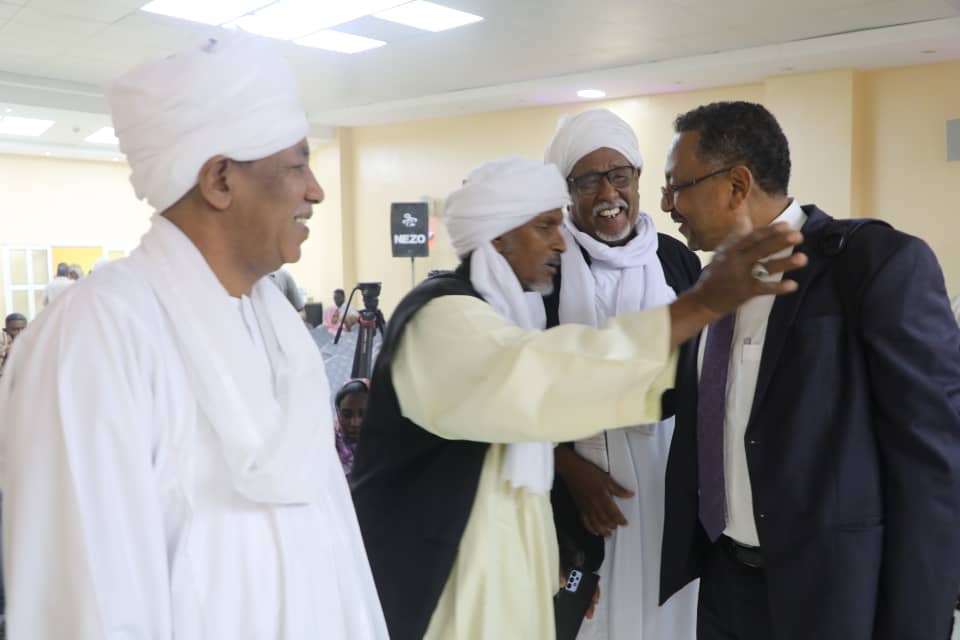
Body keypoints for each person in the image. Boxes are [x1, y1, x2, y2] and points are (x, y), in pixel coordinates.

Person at [0, 35, 387, 639]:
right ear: (220, 180)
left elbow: (331, 547)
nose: (315, 190)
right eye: (297, 165)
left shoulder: (277, 329)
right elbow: (86, 601)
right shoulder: (98, 334)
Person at [351, 155, 806, 640]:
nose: (560, 242)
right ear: (498, 237)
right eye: (545, 226)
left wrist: (554, 566)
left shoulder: (502, 314)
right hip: (447, 602)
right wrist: (701, 304)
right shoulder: (441, 320)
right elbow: (548, 380)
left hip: (504, 593)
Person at [658, 101, 960, 640]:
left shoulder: (871, 265)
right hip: (726, 586)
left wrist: (919, 620)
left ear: (737, 184)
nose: (666, 205)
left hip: (835, 593)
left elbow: (932, 461)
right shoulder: (708, 290)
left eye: (677, 187)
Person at [543, 108, 698, 640]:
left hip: (667, 465)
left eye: (619, 175)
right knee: (596, 613)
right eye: (588, 180)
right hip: (580, 478)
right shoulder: (547, 264)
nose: (608, 192)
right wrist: (566, 466)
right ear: (567, 191)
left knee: (670, 608)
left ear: (637, 178)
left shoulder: (675, 260)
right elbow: (519, 388)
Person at [334, 378, 370, 477]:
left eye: (363, 414)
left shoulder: (388, 445)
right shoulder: (327, 444)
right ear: (338, 413)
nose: (354, 423)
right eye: (347, 415)